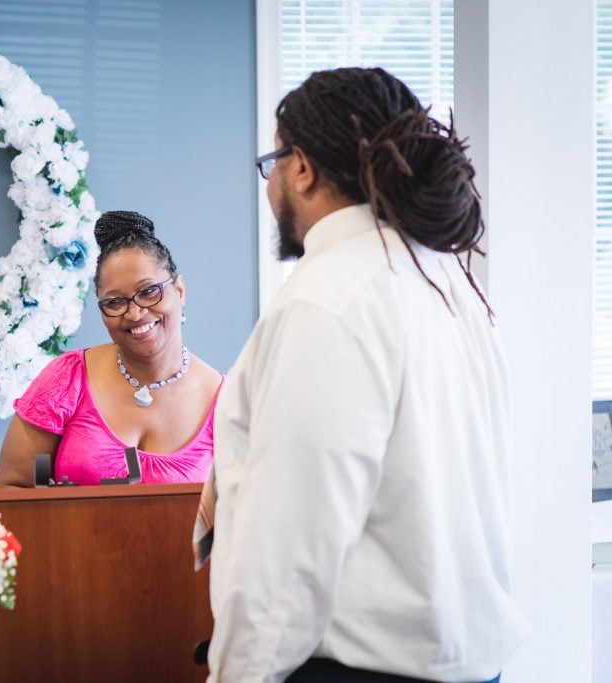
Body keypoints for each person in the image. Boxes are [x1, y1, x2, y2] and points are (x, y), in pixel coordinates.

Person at [206, 67, 530, 682]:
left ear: (301, 167)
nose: (270, 183)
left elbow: (292, 539)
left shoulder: (326, 299)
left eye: (272, 163)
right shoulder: (448, 283)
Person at [0, 210, 223, 487]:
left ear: (180, 290)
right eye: (115, 302)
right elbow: (12, 489)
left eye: (149, 291)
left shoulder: (223, 401)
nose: (136, 313)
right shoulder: (67, 379)